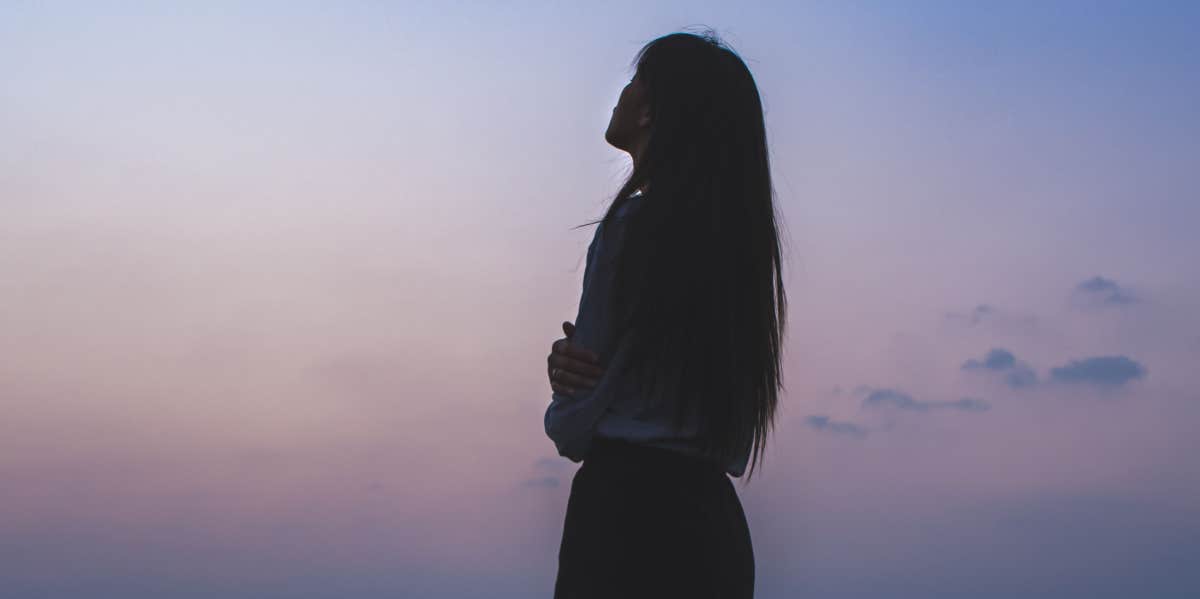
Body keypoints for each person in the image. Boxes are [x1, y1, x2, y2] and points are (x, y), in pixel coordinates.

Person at [544, 28, 787, 599]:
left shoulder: (631, 229)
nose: (622, 94)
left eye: (634, 82)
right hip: (713, 531)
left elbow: (575, 422)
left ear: (653, 109)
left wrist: (565, 397)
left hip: (625, 521)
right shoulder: (741, 255)